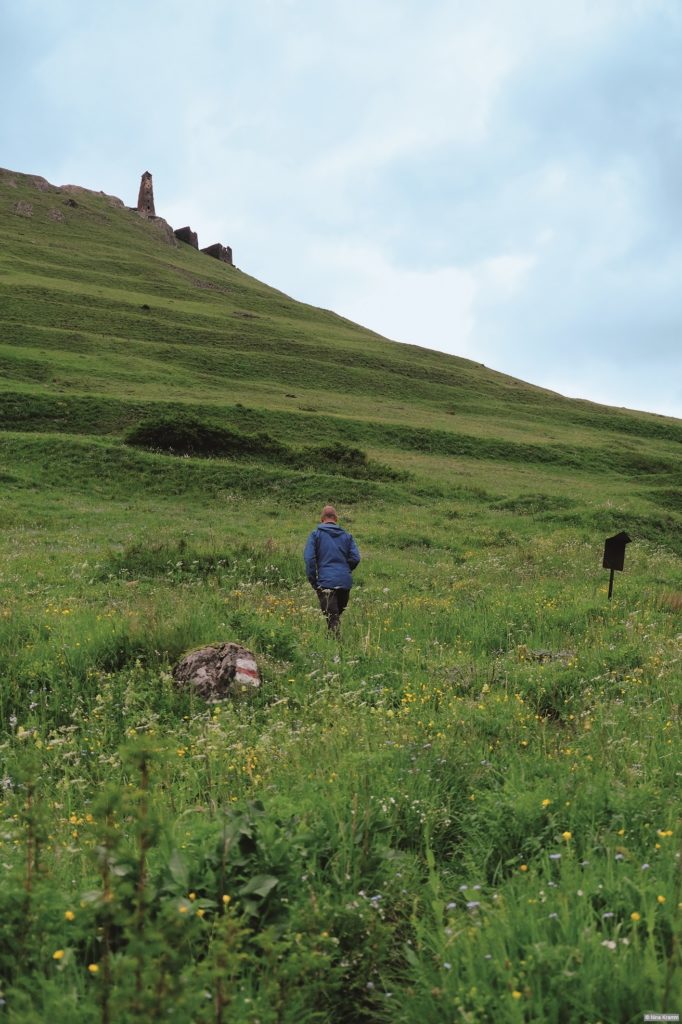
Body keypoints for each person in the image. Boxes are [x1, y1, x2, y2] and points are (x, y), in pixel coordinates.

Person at [304, 505, 361, 634]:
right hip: (344, 582)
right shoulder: (347, 536)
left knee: (332, 620)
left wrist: (314, 582)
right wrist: (345, 570)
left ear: (322, 519)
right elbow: (356, 558)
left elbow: (309, 559)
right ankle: (334, 645)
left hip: (326, 583)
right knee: (335, 618)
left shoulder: (315, 535)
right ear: (336, 519)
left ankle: (337, 648)